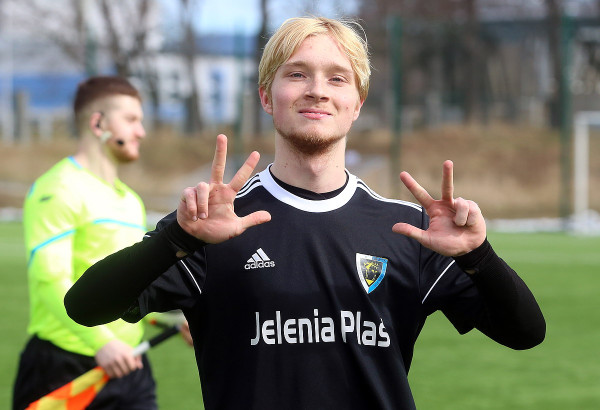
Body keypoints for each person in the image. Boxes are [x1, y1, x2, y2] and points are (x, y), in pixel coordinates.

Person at [65, 18, 546, 410]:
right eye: (297, 74)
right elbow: (85, 307)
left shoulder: (408, 230)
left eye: (337, 78)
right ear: (266, 96)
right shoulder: (214, 227)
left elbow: (526, 334)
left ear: (356, 104)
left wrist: (478, 255)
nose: (318, 90)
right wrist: (177, 237)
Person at [13, 76, 176, 410]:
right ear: (98, 123)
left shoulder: (131, 201)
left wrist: (177, 316)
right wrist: (102, 342)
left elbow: (128, 285)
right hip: (63, 368)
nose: (141, 132)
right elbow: (49, 279)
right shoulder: (58, 188)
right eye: (131, 119)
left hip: (130, 365)